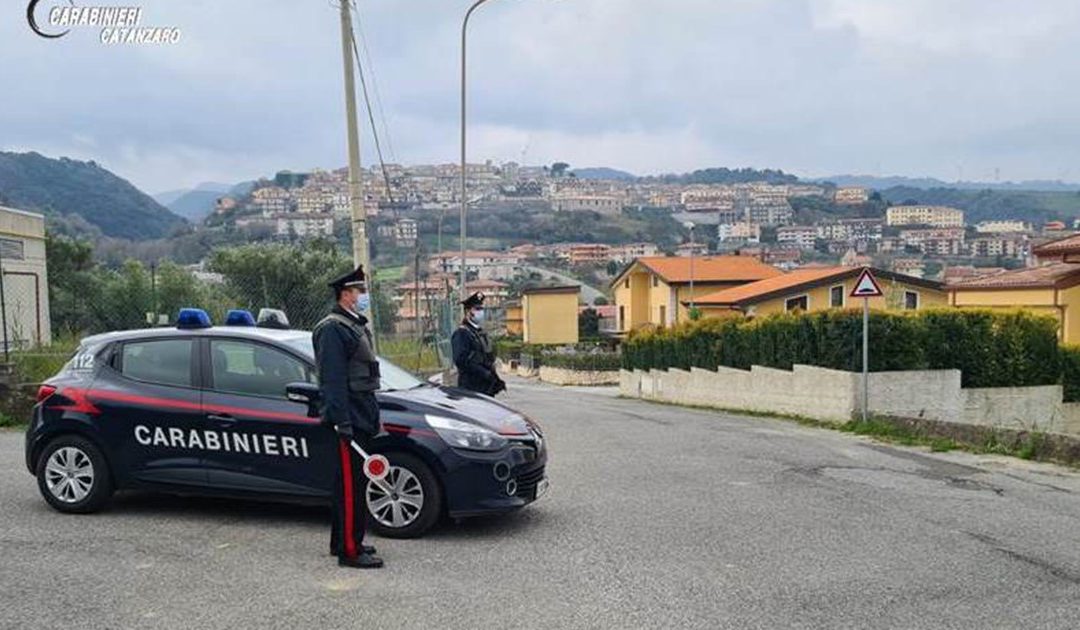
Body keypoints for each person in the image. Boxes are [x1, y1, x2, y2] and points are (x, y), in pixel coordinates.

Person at [312, 264, 384, 569]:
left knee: (351, 483)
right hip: (349, 419)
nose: (364, 296)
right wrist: (343, 423)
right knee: (351, 486)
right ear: (346, 294)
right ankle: (350, 551)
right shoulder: (332, 329)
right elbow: (333, 381)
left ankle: (342, 539)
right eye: (360, 291)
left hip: (360, 414)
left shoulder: (352, 324)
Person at [451, 291, 506, 396]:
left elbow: (488, 358)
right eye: (477, 309)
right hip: (471, 387)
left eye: (482, 309)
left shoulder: (480, 333)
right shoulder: (462, 333)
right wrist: (483, 373)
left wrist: (495, 379)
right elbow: (461, 361)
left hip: (485, 388)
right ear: (468, 311)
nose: (480, 312)